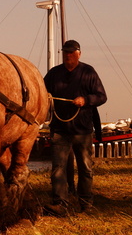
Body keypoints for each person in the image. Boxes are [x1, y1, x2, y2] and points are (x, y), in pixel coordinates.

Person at [44, 39, 107, 215]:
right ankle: (60, 204)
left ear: (79, 53)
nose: (68, 56)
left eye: (71, 53)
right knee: (58, 168)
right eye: (65, 52)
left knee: (85, 168)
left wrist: (86, 100)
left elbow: (102, 96)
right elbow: (41, 91)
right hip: (60, 130)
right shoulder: (54, 74)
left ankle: (86, 204)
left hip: (83, 130)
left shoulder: (89, 72)